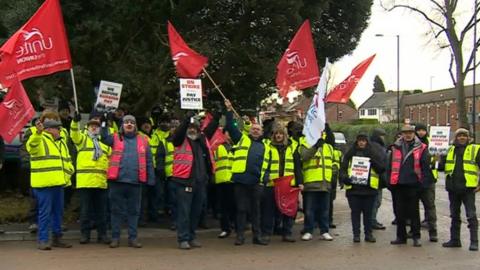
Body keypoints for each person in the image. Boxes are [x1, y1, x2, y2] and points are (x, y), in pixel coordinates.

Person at [101, 115, 155, 248]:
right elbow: (103, 137)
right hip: (117, 181)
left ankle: (133, 238)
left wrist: (151, 178)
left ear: (135, 125)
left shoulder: (143, 140)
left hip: (136, 183)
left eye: (132, 122)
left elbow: (149, 160)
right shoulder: (114, 137)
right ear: (122, 125)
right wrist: (103, 122)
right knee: (115, 211)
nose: (129, 124)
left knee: (134, 212)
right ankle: (115, 238)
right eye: (126, 122)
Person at [224, 99, 269, 246]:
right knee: (241, 210)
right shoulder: (241, 139)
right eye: (253, 128)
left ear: (262, 132)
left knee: (256, 211)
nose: (255, 130)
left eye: (258, 129)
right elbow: (230, 126)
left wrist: (264, 181)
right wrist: (229, 111)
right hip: (240, 181)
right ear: (249, 130)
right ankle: (240, 236)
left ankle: (257, 237)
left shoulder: (266, 146)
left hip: (256, 182)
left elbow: (268, 165)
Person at [26, 117, 75, 250]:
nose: (60, 130)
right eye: (56, 128)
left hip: (59, 183)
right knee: (45, 213)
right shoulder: (39, 139)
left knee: (58, 213)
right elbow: (32, 146)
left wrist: (70, 171)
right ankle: (43, 240)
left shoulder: (61, 142)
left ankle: (57, 238)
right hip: (43, 184)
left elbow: (66, 160)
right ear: (48, 130)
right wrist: (37, 133)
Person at [170, 112, 216, 250]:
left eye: (195, 128)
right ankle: (183, 238)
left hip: (200, 182)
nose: (192, 130)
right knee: (184, 212)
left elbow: (211, 128)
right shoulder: (179, 139)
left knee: (196, 212)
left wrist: (218, 114)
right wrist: (186, 119)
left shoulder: (201, 141)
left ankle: (192, 236)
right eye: (189, 128)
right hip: (184, 182)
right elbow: (179, 132)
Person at [387, 125, 432, 247]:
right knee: (399, 213)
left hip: (414, 184)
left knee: (414, 213)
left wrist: (423, 184)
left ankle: (416, 237)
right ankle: (400, 237)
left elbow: (425, 167)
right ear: (401, 134)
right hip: (398, 184)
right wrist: (389, 182)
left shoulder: (422, 148)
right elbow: (389, 166)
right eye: (405, 133)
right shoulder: (395, 147)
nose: (408, 135)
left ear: (414, 134)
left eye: (410, 133)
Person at [71, 112, 111, 244]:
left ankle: (102, 235)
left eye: (97, 126)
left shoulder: (104, 143)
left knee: (102, 211)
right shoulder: (82, 139)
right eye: (91, 126)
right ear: (87, 127)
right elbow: (74, 134)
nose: (94, 128)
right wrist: (75, 122)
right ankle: (85, 235)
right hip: (85, 182)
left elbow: (110, 160)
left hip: (101, 182)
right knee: (85, 211)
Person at [340, 133, 385, 243]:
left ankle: (368, 234)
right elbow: (343, 169)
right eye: (360, 140)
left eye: (364, 140)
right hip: (354, 190)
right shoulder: (350, 154)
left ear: (367, 142)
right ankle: (356, 235)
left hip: (369, 190)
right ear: (356, 141)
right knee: (355, 214)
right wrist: (345, 178)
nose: (361, 142)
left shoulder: (373, 153)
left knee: (368, 214)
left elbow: (381, 169)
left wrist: (372, 161)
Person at [441, 128, 479, 251]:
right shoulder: (450, 149)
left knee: (471, 215)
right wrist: (436, 158)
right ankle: (455, 240)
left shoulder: (475, 149)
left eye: (464, 135)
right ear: (456, 137)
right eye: (459, 135)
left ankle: (474, 242)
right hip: (453, 188)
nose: (462, 137)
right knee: (454, 215)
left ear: (468, 137)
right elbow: (442, 167)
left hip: (468, 188)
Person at [262, 124, 300, 243]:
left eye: (281, 134)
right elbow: (264, 164)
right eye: (276, 134)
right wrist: (265, 177)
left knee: (288, 210)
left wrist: (300, 182)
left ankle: (287, 233)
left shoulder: (292, 147)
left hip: (288, 184)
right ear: (273, 135)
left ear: (285, 135)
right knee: (269, 210)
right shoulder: (268, 147)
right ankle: (267, 233)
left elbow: (297, 166)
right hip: (272, 184)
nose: (278, 136)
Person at [298, 124, 335, 241]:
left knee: (325, 210)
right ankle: (308, 230)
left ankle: (324, 231)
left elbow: (332, 163)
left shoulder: (328, 147)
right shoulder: (305, 143)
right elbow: (304, 157)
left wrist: (333, 177)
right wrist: (315, 147)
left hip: (325, 183)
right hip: (311, 183)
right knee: (309, 210)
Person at [414, 123, 438, 242]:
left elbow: (437, 162)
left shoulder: (432, 143)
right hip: (415, 180)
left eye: (423, 130)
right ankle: (414, 230)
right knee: (413, 207)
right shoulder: (412, 144)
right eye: (419, 130)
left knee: (430, 206)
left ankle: (433, 231)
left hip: (428, 180)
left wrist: (437, 159)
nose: (421, 132)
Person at [214, 130, 236, 239]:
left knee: (235, 205)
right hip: (221, 180)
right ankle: (225, 228)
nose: (228, 135)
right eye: (227, 133)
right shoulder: (217, 147)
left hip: (233, 180)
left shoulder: (235, 147)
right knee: (223, 207)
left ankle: (234, 225)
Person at [369, 128, 388, 230]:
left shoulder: (373, 145)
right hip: (377, 178)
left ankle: (372, 220)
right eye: (382, 136)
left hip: (374, 178)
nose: (383, 138)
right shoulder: (378, 147)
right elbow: (382, 162)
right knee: (376, 201)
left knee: (375, 201)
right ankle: (372, 221)